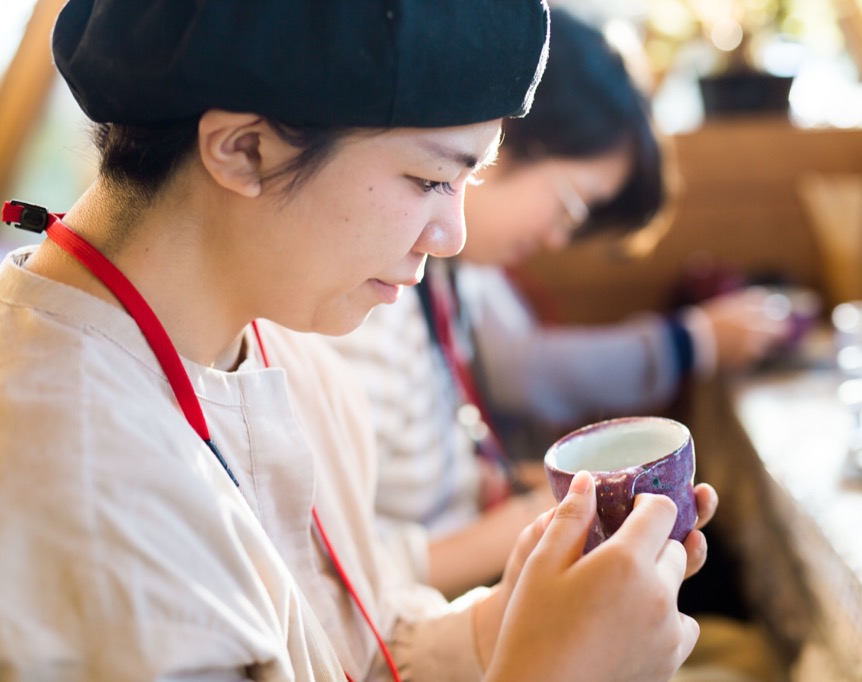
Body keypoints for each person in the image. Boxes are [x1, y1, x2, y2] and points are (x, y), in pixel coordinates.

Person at [0, 2, 719, 681]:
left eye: (472, 178)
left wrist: (513, 620)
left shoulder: (286, 346)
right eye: (431, 177)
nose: (454, 235)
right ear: (244, 149)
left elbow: (360, 642)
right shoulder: (79, 479)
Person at [331, 7, 786, 601]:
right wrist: (538, 523)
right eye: (570, 207)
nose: (556, 241)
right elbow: (339, 582)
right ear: (508, 134)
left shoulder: (448, 278)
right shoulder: (362, 310)